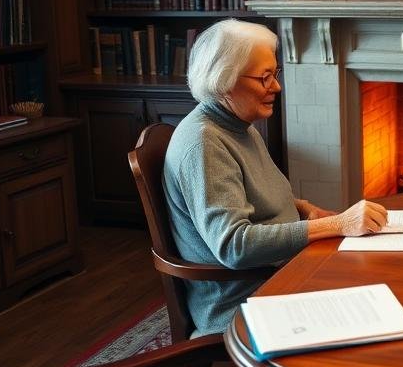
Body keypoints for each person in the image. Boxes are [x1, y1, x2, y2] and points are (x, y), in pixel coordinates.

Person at [163, 19, 388, 337]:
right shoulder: (204, 143)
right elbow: (233, 245)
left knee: (379, 281)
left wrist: (302, 208)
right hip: (242, 302)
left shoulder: (237, 124)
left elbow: (247, 195)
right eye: (264, 78)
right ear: (224, 81)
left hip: (278, 274)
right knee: (374, 307)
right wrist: (335, 226)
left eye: (275, 74)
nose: (277, 87)